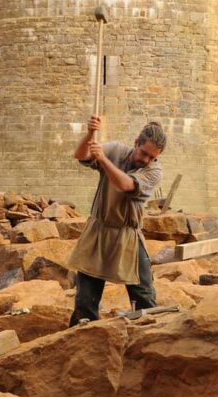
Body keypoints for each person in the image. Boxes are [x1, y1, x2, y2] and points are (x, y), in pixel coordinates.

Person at [67, 115, 166, 326]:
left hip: (127, 235)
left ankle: (150, 343)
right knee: (85, 302)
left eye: (152, 157)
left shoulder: (154, 171)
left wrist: (103, 160)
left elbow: (126, 185)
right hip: (98, 231)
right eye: (144, 153)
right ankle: (84, 342)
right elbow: (81, 155)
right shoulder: (115, 150)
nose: (146, 160)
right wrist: (89, 134)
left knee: (144, 298)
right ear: (136, 143)